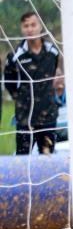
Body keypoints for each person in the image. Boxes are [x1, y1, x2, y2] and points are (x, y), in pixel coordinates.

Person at [4, 11, 63, 155]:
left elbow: (54, 73)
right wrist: (20, 98)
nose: (30, 29)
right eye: (26, 26)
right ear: (22, 29)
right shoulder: (15, 55)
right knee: (23, 160)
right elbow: (9, 82)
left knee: (48, 158)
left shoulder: (53, 51)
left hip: (48, 115)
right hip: (25, 118)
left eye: (33, 25)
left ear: (40, 26)